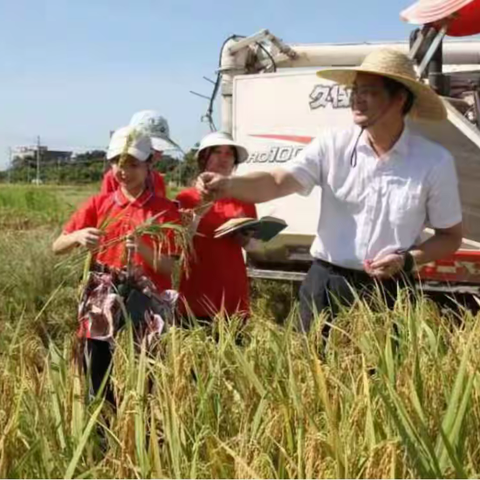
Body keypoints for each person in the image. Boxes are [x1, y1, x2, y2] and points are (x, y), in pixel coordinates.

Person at [195, 49, 463, 335]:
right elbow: (277, 180)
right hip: (327, 286)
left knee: (386, 379)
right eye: (355, 90)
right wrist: (228, 185)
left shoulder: (433, 161)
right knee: (311, 373)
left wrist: (407, 260)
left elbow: (450, 238)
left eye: (369, 92)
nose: (357, 98)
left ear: (400, 98)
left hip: (391, 291)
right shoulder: (332, 145)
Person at [53, 125, 181, 403]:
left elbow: (170, 268)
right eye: (118, 164)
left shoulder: (165, 211)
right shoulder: (99, 204)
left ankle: (147, 436)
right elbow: (57, 246)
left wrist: (142, 247)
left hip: (148, 295)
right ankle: (100, 434)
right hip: (103, 292)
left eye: (133, 164)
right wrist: (77, 235)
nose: (124, 172)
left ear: (150, 165)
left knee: (149, 374)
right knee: (96, 368)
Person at [176, 131, 257, 324]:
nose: (224, 158)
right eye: (217, 152)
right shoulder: (185, 198)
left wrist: (245, 238)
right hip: (195, 296)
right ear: (204, 158)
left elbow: (254, 247)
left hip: (233, 298)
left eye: (229, 154)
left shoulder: (244, 199)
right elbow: (178, 245)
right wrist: (198, 214)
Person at [101, 110, 182, 197]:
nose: (159, 155)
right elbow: (106, 207)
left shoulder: (157, 179)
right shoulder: (114, 178)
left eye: (160, 149)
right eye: (153, 148)